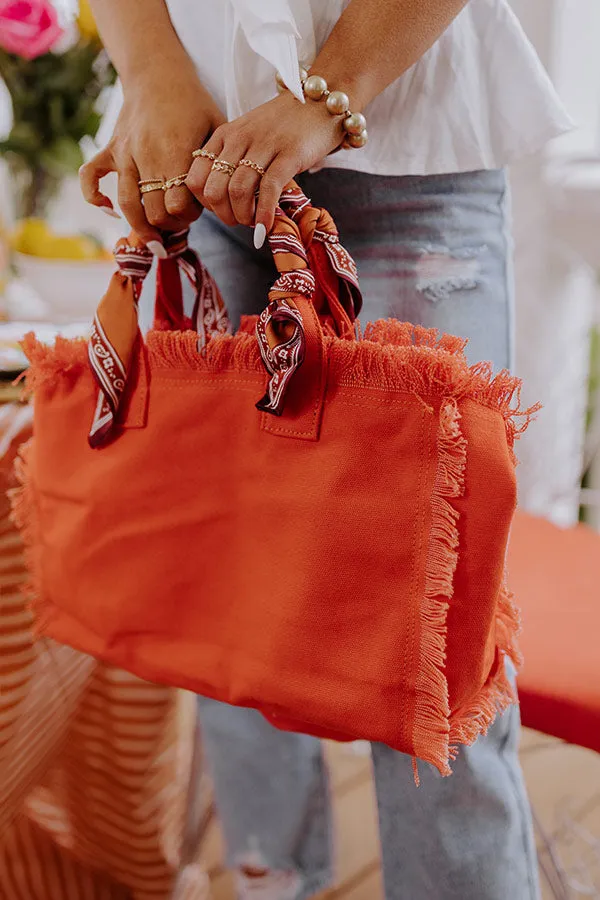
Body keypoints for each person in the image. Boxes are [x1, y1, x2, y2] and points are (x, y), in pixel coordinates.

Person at [81, 2, 571, 898]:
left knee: (430, 644)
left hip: (407, 146)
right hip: (196, 148)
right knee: (236, 606)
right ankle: (269, 879)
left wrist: (331, 91)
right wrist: (151, 71)